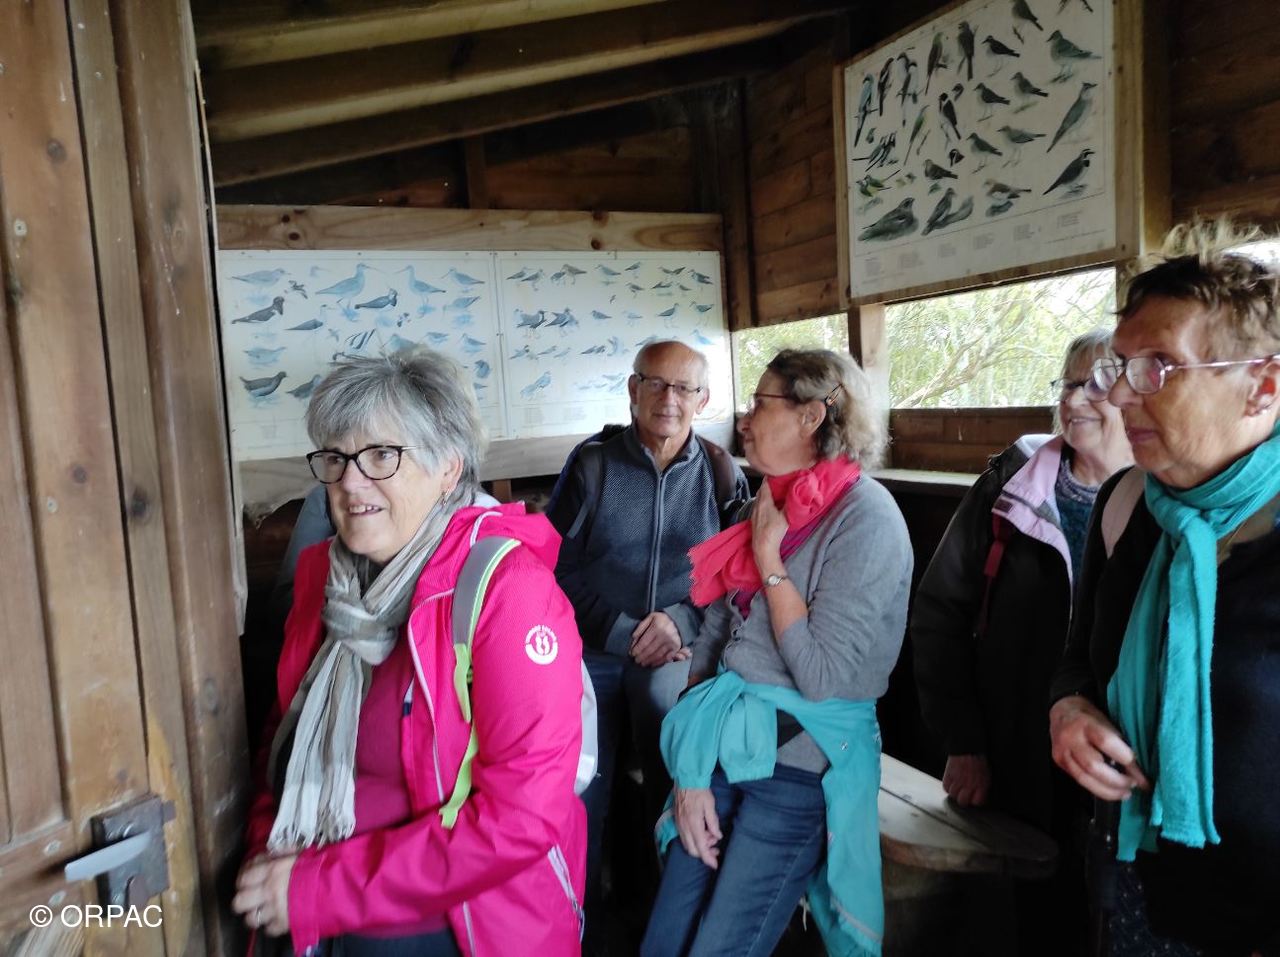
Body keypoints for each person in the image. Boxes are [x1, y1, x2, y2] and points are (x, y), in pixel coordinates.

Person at [232, 349, 586, 956]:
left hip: (458, 926)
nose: (350, 481)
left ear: (448, 468)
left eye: (381, 456)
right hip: (310, 901)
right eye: (337, 458)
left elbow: (522, 817)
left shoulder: (506, 593)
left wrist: (321, 888)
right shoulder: (328, 583)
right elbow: (284, 731)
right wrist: (269, 846)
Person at [1048, 221, 1280, 955]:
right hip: (1130, 884)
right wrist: (1068, 709)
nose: (1120, 394)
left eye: (1159, 367)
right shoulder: (1127, 506)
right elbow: (1079, 657)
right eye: (1119, 367)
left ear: (1262, 387)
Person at [641, 349, 912, 957]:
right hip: (722, 744)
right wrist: (691, 772)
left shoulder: (866, 519)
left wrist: (769, 560)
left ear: (812, 416)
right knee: (665, 938)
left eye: (760, 403)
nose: (745, 419)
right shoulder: (766, 502)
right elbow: (715, 633)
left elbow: (822, 676)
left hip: (802, 763)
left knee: (720, 946)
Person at [911, 329, 1133, 950]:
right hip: (1014, 754)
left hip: (1119, 763)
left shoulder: (1162, 496)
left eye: (1097, 384)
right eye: (1068, 384)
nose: (1075, 399)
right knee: (1026, 917)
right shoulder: (1011, 487)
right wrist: (963, 741)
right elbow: (939, 611)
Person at [546, 340, 747, 915]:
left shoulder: (720, 472)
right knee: (581, 787)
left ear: (702, 400)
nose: (669, 399)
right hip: (594, 648)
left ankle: (668, 914)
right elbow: (552, 566)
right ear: (633, 390)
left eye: (684, 388)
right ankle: (578, 920)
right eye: (655, 383)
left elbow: (737, 574)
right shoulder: (593, 466)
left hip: (679, 650)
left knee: (674, 768)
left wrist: (682, 622)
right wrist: (621, 632)